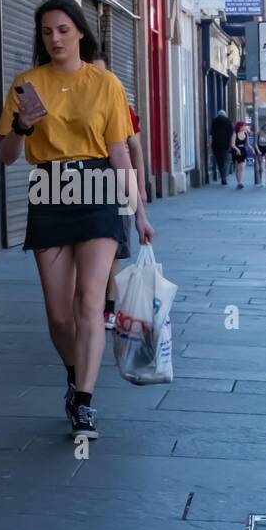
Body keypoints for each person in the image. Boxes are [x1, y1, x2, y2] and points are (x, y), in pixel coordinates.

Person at [0, 0, 154, 440]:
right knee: (58, 315)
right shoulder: (26, 83)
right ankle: (74, 375)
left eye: (63, 30)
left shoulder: (106, 84)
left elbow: (119, 152)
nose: (55, 39)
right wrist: (23, 127)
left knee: (89, 301)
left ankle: (84, 402)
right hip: (48, 189)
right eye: (47, 32)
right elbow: (8, 156)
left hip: (98, 189)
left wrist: (139, 211)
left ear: (80, 32)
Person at [100, 55, 145, 332]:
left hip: (116, 184)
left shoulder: (119, 104)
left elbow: (135, 148)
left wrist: (139, 189)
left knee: (114, 251)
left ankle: (108, 308)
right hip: (84, 185)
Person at [210, 109, 233, 185]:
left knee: (219, 162)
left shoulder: (214, 121)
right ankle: (224, 177)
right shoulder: (228, 122)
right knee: (226, 162)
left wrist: (210, 143)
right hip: (226, 145)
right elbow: (231, 134)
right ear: (225, 115)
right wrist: (231, 144)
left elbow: (211, 134)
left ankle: (222, 176)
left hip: (216, 145)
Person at [230, 120, 250, 189]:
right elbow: (232, 144)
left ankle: (240, 182)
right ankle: (238, 182)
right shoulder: (235, 133)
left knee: (241, 167)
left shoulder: (246, 134)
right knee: (237, 168)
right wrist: (237, 149)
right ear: (240, 126)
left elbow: (247, 144)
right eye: (244, 125)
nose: (245, 127)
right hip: (236, 151)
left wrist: (252, 149)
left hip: (243, 151)